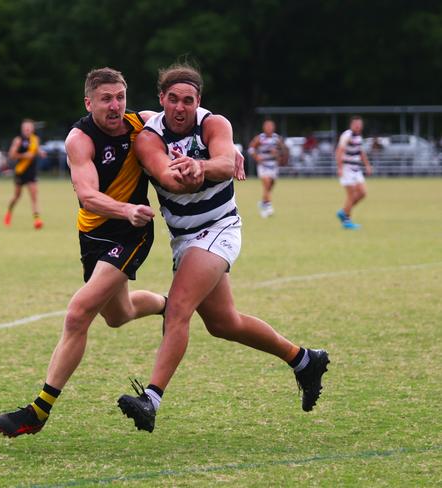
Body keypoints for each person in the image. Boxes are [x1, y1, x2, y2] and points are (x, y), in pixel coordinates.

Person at [117, 63, 329, 433]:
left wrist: (203, 167)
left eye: (188, 100)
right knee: (223, 323)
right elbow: (165, 175)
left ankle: (151, 399)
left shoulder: (215, 124)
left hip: (219, 228)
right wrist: (183, 175)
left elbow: (225, 160)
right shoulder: (149, 138)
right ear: (161, 99)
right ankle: (304, 360)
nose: (180, 107)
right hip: (184, 237)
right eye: (173, 99)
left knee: (178, 308)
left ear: (198, 101)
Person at [0, 68, 167, 438]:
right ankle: (173, 303)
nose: (115, 105)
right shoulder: (80, 138)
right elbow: (87, 196)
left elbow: (193, 120)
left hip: (133, 232)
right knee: (119, 314)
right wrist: (124, 208)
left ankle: (37, 411)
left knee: (78, 313)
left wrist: (227, 147)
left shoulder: (145, 124)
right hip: (94, 233)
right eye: (106, 98)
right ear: (89, 102)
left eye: (120, 96)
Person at [4, 119, 44, 229]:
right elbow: (11, 155)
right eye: (25, 128)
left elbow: (36, 150)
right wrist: (24, 155)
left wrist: (40, 153)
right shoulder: (18, 140)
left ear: (32, 129)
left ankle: (37, 220)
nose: (27, 130)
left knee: (34, 196)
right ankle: (9, 213)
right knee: (17, 196)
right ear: (22, 129)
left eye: (29, 128)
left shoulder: (35, 139)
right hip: (20, 171)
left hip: (31, 172)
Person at [335, 116, 372, 230]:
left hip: (356, 169)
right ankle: (347, 221)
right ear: (351, 125)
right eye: (356, 124)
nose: (358, 126)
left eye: (360, 124)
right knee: (351, 196)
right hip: (347, 168)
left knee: (362, 193)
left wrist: (367, 165)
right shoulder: (347, 135)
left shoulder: (358, 137)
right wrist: (340, 167)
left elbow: (360, 152)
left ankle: (344, 211)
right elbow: (339, 151)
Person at [248, 119, 288, 218]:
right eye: (267, 126)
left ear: (273, 128)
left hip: (273, 165)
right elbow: (251, 148)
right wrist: (257, 157)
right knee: (266, 184)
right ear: (264, 128)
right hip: (263, 165)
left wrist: (277, 154)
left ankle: (263, 202)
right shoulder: (260, 138)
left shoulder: (277, 139)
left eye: (271, 126)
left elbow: (284, 151)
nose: (269, 128)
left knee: (270, 187)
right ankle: (268, 209)